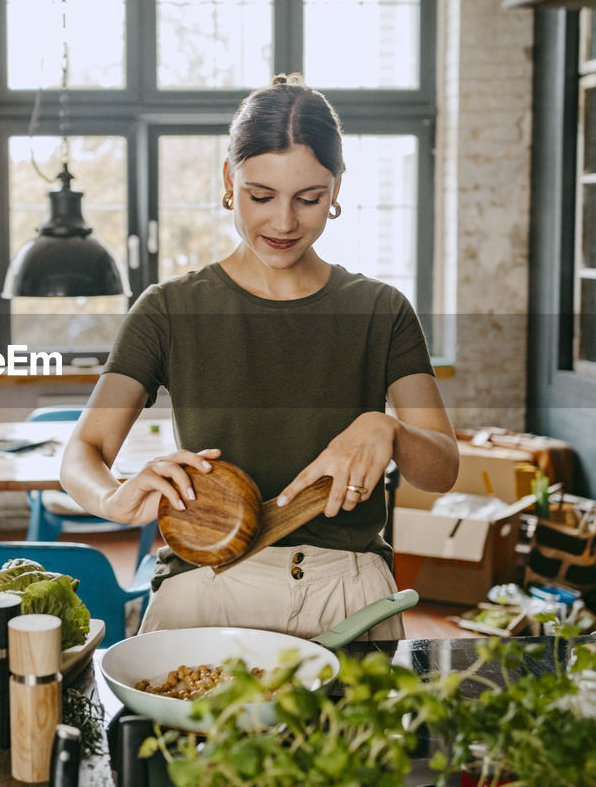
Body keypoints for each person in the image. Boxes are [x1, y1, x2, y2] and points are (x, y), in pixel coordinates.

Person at [60, 75, 459, 638]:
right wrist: (113, 499)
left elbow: (441, 469)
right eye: (261, 196)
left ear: (336, 188)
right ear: (230, 180)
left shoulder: (381, 309)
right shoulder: (169, 309)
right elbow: (82, 452)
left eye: (309, 199)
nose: (284, 222)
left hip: (348, 594)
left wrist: (386, 429)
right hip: (206, 586)